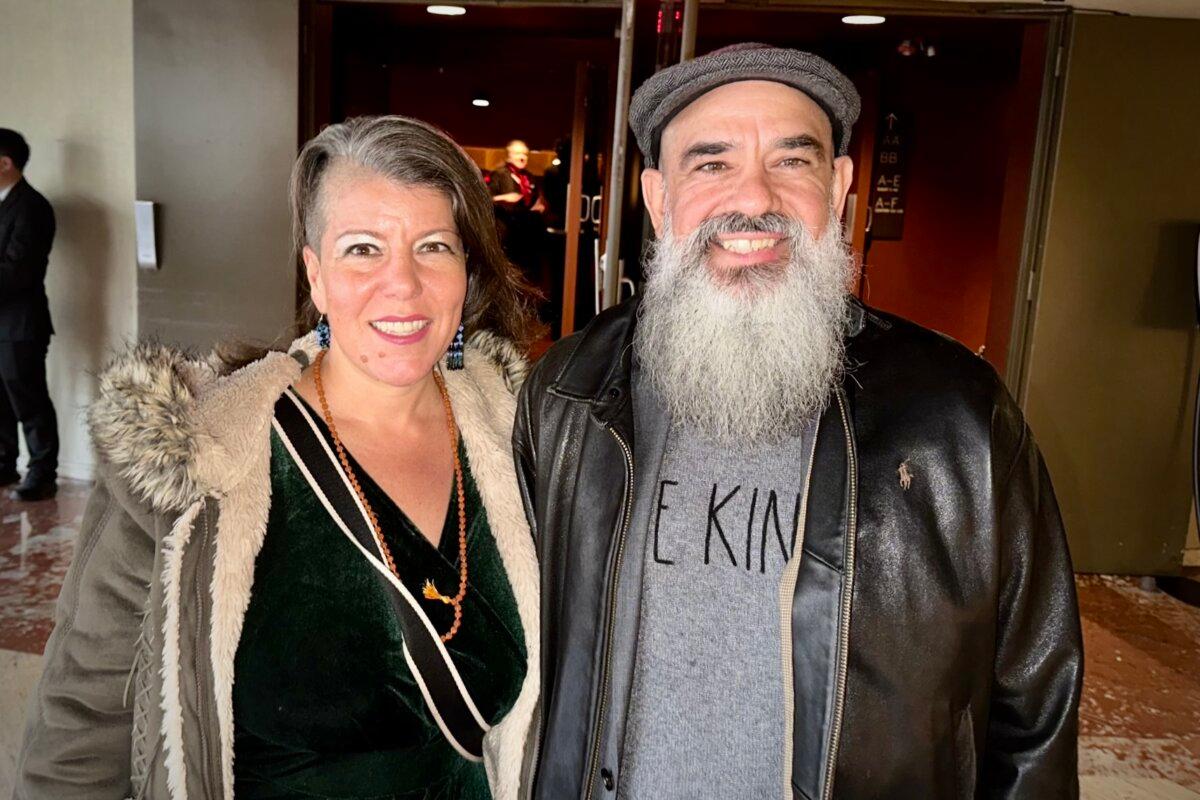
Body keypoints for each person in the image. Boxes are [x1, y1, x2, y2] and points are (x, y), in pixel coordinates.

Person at [514, 43, 1083, 799]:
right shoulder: (567, 395)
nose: (755, 195)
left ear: (839, 186)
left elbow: (1036, 712)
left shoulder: (955, 416)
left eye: (793, 161)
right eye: (711, 163)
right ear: (658, 197)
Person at [16, 116, 542, 800]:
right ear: (315, 275)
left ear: (466, 268)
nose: (404, 285)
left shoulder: (521, 437)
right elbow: (82, 727)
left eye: (433, 246)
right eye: (363, 250)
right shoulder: (194, 458)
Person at [0, 128, 58, 502]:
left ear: (5, 163)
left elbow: (17, 271)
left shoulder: (33, 206)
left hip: (21, 323)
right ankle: (5, 462)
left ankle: (42, 472)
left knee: (28, 396)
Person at [489, 139, 545, 286]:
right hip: (506, 233)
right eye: (517, 154)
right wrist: (504, 198)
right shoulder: (499, 174)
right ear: (508, 156)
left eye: (525, 154)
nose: (522, 158)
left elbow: (534, 201)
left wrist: (538, 207)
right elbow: (486, 199)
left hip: (525, 234)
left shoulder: (528, 177)